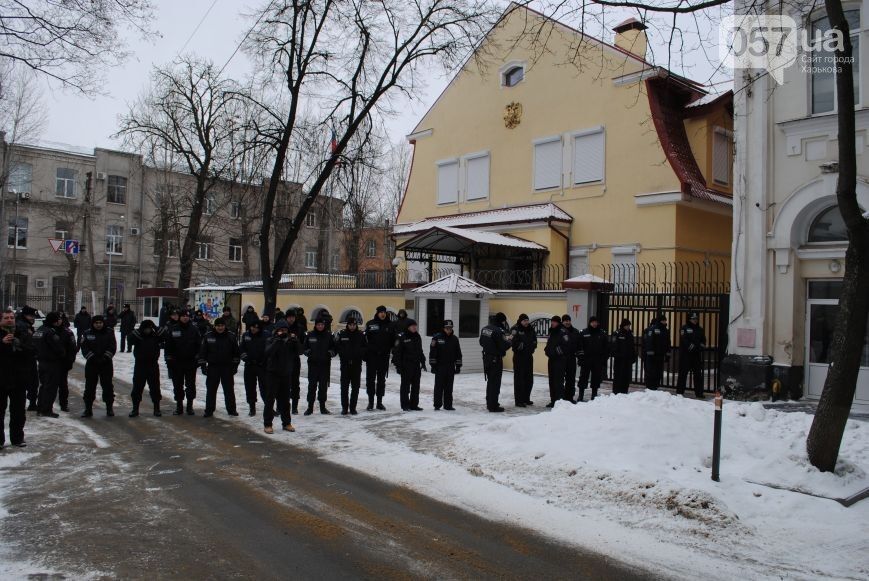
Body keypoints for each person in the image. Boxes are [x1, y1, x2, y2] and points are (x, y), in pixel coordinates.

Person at [198, 317, 240, 418]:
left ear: (225, 326)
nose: (220, 328)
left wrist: (235, 366)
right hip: (213, 367)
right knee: (211, 390)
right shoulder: (208, 336)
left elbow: (236, 353)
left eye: (222, 326)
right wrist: (203, 366)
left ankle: (231, 410)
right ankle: (209, 410)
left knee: (229, 390)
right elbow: (202, 352)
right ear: (214, 326)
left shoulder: (231, 336)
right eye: (218, 326)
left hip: (227, 368)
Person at [0, 309, 28, 447]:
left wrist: (20, 345)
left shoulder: (21, 333)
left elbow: (33, 351)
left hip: (18, 379)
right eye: (6, 318)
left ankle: (17, 438)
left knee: (18, 412)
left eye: (12, 317)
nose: (10, 320)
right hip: (1, 379)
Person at [164, 309, 201, 415]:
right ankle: (179, 406)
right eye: (183, 316)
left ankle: (190, 406)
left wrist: (198, 359)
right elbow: (168, 346)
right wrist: (169, 360)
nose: (185, 317)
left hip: (190, 363)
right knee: (178, 385)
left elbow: (199, 346)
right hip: (176, 363)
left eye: (187, 316)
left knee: (190, 385)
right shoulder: (173, 329)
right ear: (179, 317)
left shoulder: (194, 330)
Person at [80, 315, 117, 417]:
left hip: (106, 364)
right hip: (92, 364)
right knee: (90, 387)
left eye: (100, 323)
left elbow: (112, 346)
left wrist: (105, 357)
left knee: (108, 386)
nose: (98, 325)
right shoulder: (87, 333)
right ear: (93, 324)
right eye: (96, 323)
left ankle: (109, 408)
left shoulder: (109, 332)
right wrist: (92, 358)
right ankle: (88, 409)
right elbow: (84, 348)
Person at [263, 320, 295, 433]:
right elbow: (268, 353)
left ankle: (286, 423)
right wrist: (277, 341)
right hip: (273, 373)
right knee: (270, 399)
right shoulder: (270, 340)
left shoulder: (290, 341)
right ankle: (267, 424)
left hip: (286, 373)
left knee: (285, 400)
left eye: (285, 330)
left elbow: (299, 351)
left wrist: (295, 341)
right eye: (281, 330)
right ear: (276, 330)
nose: (283, 332)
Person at [128, 319, 165, 417]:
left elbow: (165, 335)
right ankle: (135, 409)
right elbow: (130, 339)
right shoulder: (138, 336)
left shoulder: (155, 336)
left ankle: (156, 408)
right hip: (140, 365)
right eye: (146, 328)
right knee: (137, 387)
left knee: (155, 387)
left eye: (149, 328)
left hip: (153, 365)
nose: (147, 330)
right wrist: (140, 330)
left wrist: (155, 327)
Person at [34, 312, 66, 418]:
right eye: (58, 319)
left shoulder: (39, 330)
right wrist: (62, 354)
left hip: (41, 361)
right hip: (51, 363)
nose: (60, 321)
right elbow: (57, 348)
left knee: (43, 386)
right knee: (50, 387)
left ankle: (40, 407)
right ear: (55, 321)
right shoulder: (50, 332)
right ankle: (46, 409)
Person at [363, 306, 394, 411]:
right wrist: (366, 353)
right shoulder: (370, 324)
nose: (382, 314)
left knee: (381, 380)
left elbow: (394, 341)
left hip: (383, 357)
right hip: (372, 357)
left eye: (384, 312)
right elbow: (365, 339)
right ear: (377, 313)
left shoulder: (390, 325)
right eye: (381, 312)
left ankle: (379, 402)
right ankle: (370, 402)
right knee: (370, 380)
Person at [303, 317, 336, 415]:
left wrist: (331, 353)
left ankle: (322, 407)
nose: (320, 326)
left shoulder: (329, 335)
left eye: (322, 324)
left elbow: (334, 347)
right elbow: (304, 347)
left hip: (325, 365)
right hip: (313, 365)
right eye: (318, 325)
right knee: (312, 386)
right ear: (315, 325)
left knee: (323, 387)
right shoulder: (310, 335)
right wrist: (308, 352)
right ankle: (310, 408)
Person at [392, 319, 426, 411]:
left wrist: (423, 361)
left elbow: (420, 350)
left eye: (415, 325)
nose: (414, 327)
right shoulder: (402, 337)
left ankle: (414, 405)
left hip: (416, 365)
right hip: (406, 365)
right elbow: (397, 353)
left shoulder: (417, 336)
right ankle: (405, 405)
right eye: (412, 326)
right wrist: (398, 366)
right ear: (408, 327)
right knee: (405, 387)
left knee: (416, 386)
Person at [335, 316, 365, 415]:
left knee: (355, 388)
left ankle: (353, 408)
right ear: (347, 325)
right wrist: (343, 354)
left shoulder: (360, 335)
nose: (352, 326)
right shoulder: (342, 334)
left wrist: (360, 353)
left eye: (354, 325)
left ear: (356, 325)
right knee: (344, 388)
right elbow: (338, 347)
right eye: (350, 325)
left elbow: (365, 347)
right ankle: (344, 408)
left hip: (356, 365)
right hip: (345, 365)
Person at [479, 314, 509, 412]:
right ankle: (493, 405)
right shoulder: (499, 331)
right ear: (501, 321)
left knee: (490, 382)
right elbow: (504, 345)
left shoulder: (485, 329)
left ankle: (490, 403)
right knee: (495, 383)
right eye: (504, 321)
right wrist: (510, 341)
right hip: (495, 359)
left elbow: (481, 342)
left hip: (487, 358)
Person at [429, 319, 461, 411]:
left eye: (450, 328)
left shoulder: (455, 339)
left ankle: (448, 405)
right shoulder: (436, 338)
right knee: (439, 387)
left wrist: (458, 366)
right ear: (443, 328)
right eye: (447, 328)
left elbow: (458, 353)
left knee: (449, 387)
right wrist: (433, 366)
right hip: (440, 366)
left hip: (450, 366)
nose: (449, 330)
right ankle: (437, 405)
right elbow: (432, 353)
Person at [240, 319, 269, 416]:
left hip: (262, 366)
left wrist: (265, 360)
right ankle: (252, 407)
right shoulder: (246, 335)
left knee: (265, 387)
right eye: (252, 327)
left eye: (256, 327)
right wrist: (245, 358)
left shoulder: (266, 335)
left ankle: (268, 407)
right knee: (250, 387)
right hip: (249, 365)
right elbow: (241, 349)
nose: (254, 329)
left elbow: (270, 349)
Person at [577, 316, 608, 402]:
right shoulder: (583, 332)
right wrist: (580, 359)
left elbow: (606, 347)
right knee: (583, 378)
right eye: (592, 322)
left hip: (597, 360)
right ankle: (580, 396)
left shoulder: (602, 333)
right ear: (590, 323)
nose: (594, 324)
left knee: (596, 378)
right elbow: (579, 347)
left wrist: (604, 359)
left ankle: (594, 396)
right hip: (586, 360)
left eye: (596, 322)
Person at [677, 312, 707, 399]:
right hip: (686, 355)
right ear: (689, 319)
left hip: (696, 355)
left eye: (696, 319)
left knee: (698, 374)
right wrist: (693, 347)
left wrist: (700, 347)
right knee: (683, 374)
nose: (695, 320)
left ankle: (699, 393)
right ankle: (680, 392)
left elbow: (703, 340)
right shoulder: (684, 328)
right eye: (693, 319)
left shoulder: (700, 329)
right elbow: (684, 340)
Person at [510, 314, 537, 407]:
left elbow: (534, 340)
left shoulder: (530, 329)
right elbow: (513, 342)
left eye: (527, 320)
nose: (526, 322)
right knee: (519, 379)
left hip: (529, 357)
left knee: (529, 379)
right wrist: (522, 346)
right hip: (519, 357)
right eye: (524, 320)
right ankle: (519, 401)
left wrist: (532, 347)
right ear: (520, 321)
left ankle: (526, 398)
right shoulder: (515, 329)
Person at [16, 306, 39, 411]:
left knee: (32, 381)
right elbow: (21, 343)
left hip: (28, 357)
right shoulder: (22, 326)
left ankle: (32, 402)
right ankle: (31, 403)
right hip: (25, 358)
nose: (33, 318)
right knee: (31, 382)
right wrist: (31, 350)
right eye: (31, 316)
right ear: (25, 315)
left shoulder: (26, 325)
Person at [544, 316, 568, 407]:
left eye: (554, 322)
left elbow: (566, 346)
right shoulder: (551, 332)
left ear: (558, 323)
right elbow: (549, 344)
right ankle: (553, 400)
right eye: (552, 322)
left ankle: (559, 400)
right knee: (552, 380)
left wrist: (556, 352)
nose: (552, 323)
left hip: (559, 360)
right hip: (551, 360)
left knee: (558, 381)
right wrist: (546, 351)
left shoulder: (563, 332)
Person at [642, 315, 671, 391]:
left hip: (660, 355)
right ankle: (650, 387)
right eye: (663, 320)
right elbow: (649, 342)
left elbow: (668, 343)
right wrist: (650, 353)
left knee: (658, 371)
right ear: (660, 321)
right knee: (651, 371)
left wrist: (668, 354)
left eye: (665, 320)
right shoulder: (652, 329)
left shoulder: (666, 330)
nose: (665, 322)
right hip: (652, 355)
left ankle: (656, 386)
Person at [284, 309, 305, 414]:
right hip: (283, 358)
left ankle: (295, 406)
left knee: (295, 383)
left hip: (295, 358)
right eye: (289, 317)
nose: (291, 319)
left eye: (293, 317)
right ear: (286, 318)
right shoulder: (282, 328)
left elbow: (303, 345)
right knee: (283, 383)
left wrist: (296, 341)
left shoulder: (299, 328)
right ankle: (283, 405)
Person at [610, 318, 637, 395]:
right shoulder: (617, 333)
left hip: (628, 359)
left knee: (626, 376)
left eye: (629, 325)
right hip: (619, 359)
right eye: (627, 325)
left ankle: (625, 391)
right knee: (618, 375)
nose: (628, 327)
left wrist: (633, 356)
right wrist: (617, 354)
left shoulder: (630, 334)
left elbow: (632, 346)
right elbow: (613, 346)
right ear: (623, 325)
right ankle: (616, 391)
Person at [58, 314, 78, 412]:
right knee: (48, 385)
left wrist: (70, 361)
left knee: (63, 385)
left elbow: (73, 348)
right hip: (49, 363)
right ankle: (45, 405)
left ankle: (63, 404)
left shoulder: (67, 332)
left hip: (63, 363)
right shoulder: (47, 330)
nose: (58, 321)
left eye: (59, 319)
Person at [560, 314, 581, 402]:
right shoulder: (559, 331)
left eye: (569, 320)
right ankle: (561, 397)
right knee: (560, 379)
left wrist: (579, 356)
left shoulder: (575, 331)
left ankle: (570, 397)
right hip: (561, 358)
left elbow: (579, 345)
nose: (567, 322)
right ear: (562, 322)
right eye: (565, 321)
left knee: (571, 378)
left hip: (572, 358)